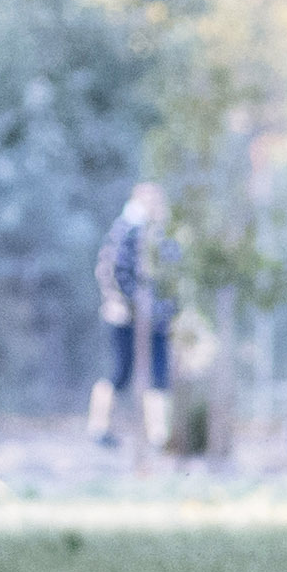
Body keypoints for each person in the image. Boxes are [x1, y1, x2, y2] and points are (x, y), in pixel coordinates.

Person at [88, 183, 175, 448]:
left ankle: (159, 436)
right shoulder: (125, 230)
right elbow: (113, 272)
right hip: (125, 318)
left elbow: (171, 274)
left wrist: (166, 308)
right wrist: (131, 305)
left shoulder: (161, 233)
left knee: (159, 374)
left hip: (156, 318)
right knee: (121, 372)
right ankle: (100, 428)